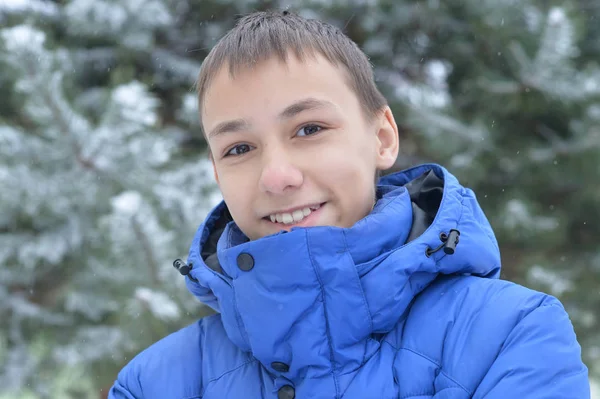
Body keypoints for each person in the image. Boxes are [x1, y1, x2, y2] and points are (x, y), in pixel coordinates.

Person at [108, 10, 590, 399]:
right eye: (239, 149)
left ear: (382, 137)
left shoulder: (509, 336)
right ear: (217, 173)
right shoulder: (153, 384)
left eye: (309, 129)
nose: (277, 176)